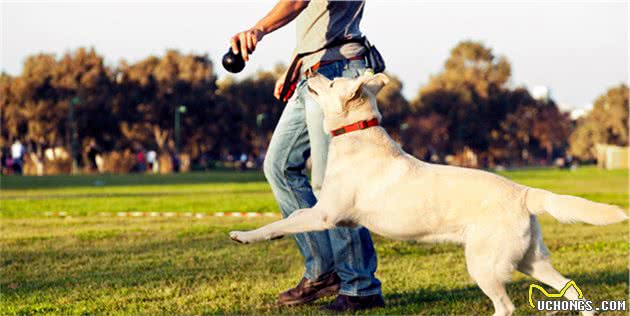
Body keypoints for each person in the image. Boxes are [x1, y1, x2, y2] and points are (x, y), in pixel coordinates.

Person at [229, 0, 384, 311]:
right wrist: (296, 65)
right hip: (313, 73)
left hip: (337, 73)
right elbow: (318, 21)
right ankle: (323, 272)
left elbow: (297, 2)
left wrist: (258, 29)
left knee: (331, 186)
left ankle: (359, 285)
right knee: (280, 166)